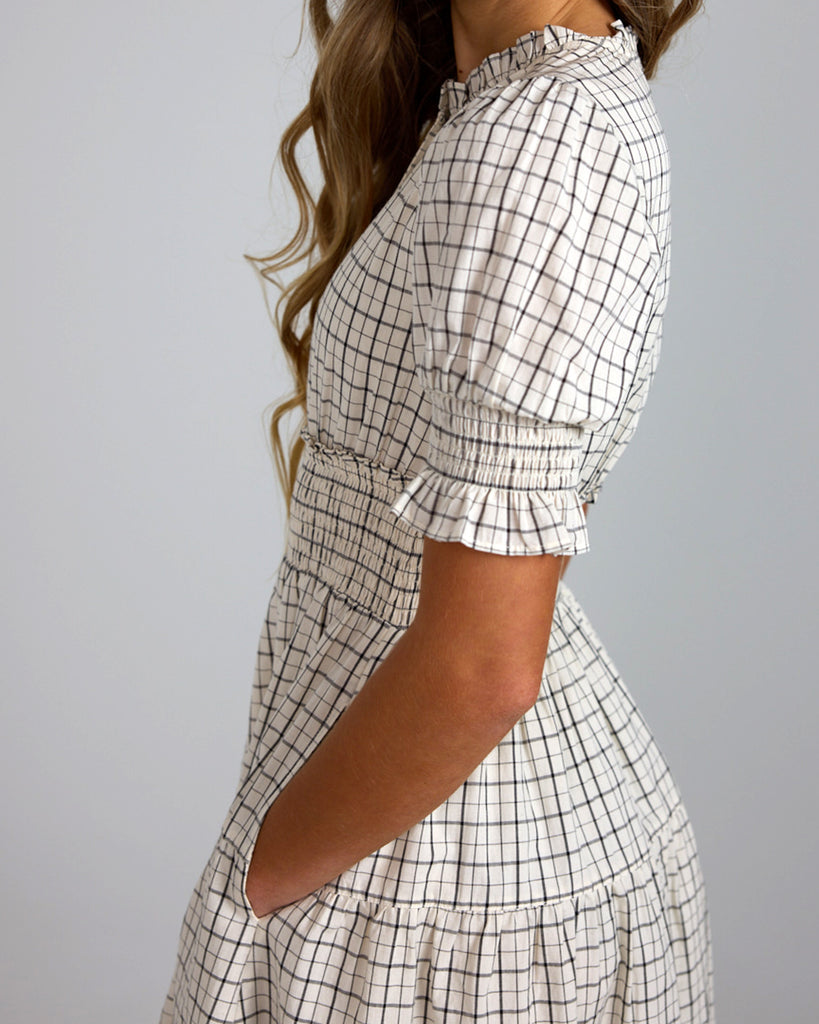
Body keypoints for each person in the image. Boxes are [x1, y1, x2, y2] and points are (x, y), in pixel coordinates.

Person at [159, 1, 715, 1020]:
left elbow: (483, 664)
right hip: (422, 836)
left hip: (446, 893)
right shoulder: (510, 99)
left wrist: (258, 879)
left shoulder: (543, 139)